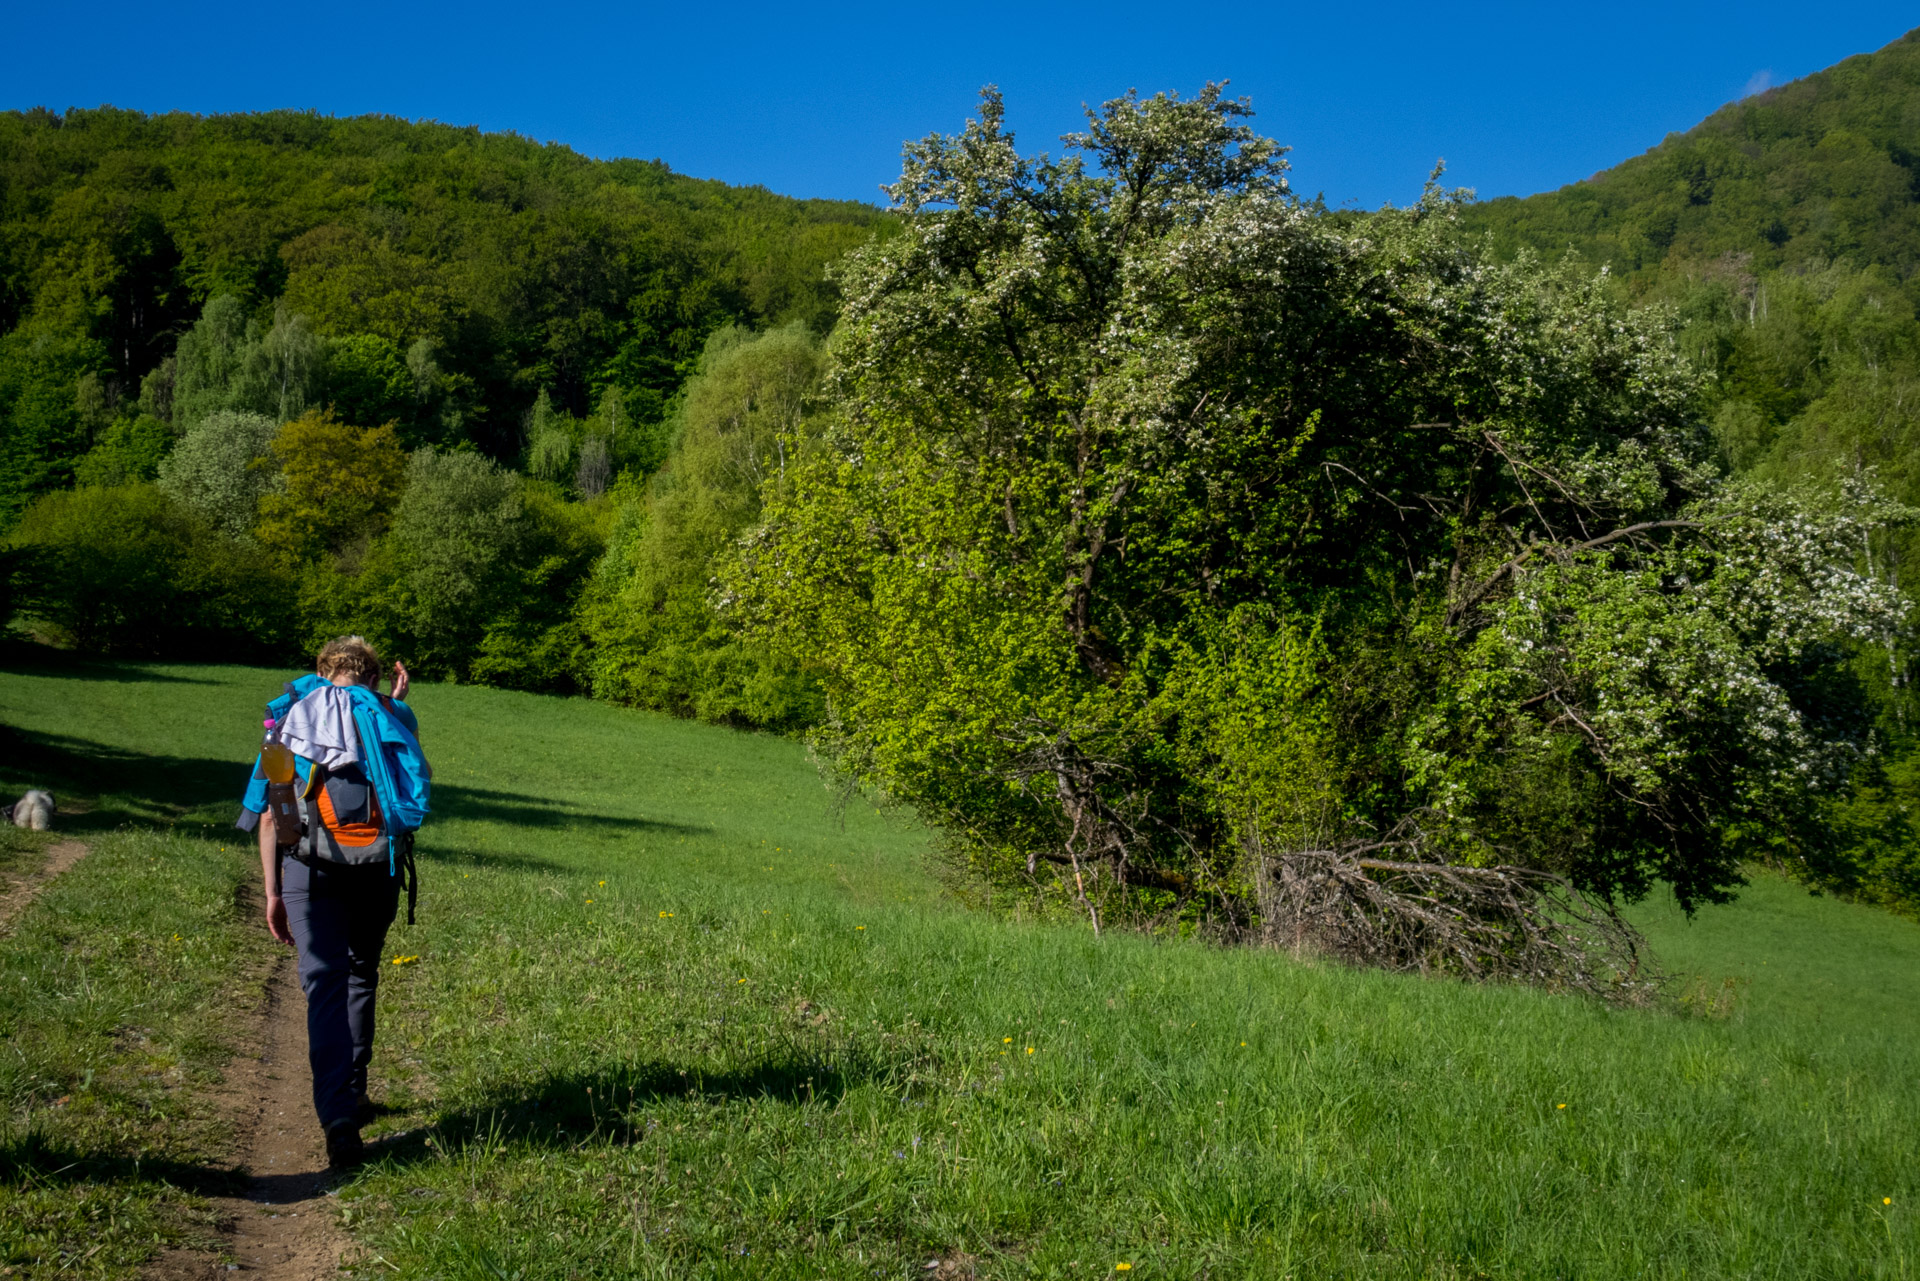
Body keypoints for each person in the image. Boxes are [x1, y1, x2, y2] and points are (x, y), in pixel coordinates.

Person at [237, 636, 420, 1167]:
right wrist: (396, 699)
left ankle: (338, 1115)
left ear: (322, 672)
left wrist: (273, 891)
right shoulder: (390, 716)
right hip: (378, 869)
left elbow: (272, 814)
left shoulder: (293, 720)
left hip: (309, 872)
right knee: (362, 973)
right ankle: (356, 1089)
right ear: (373, 677)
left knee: (324, 984)